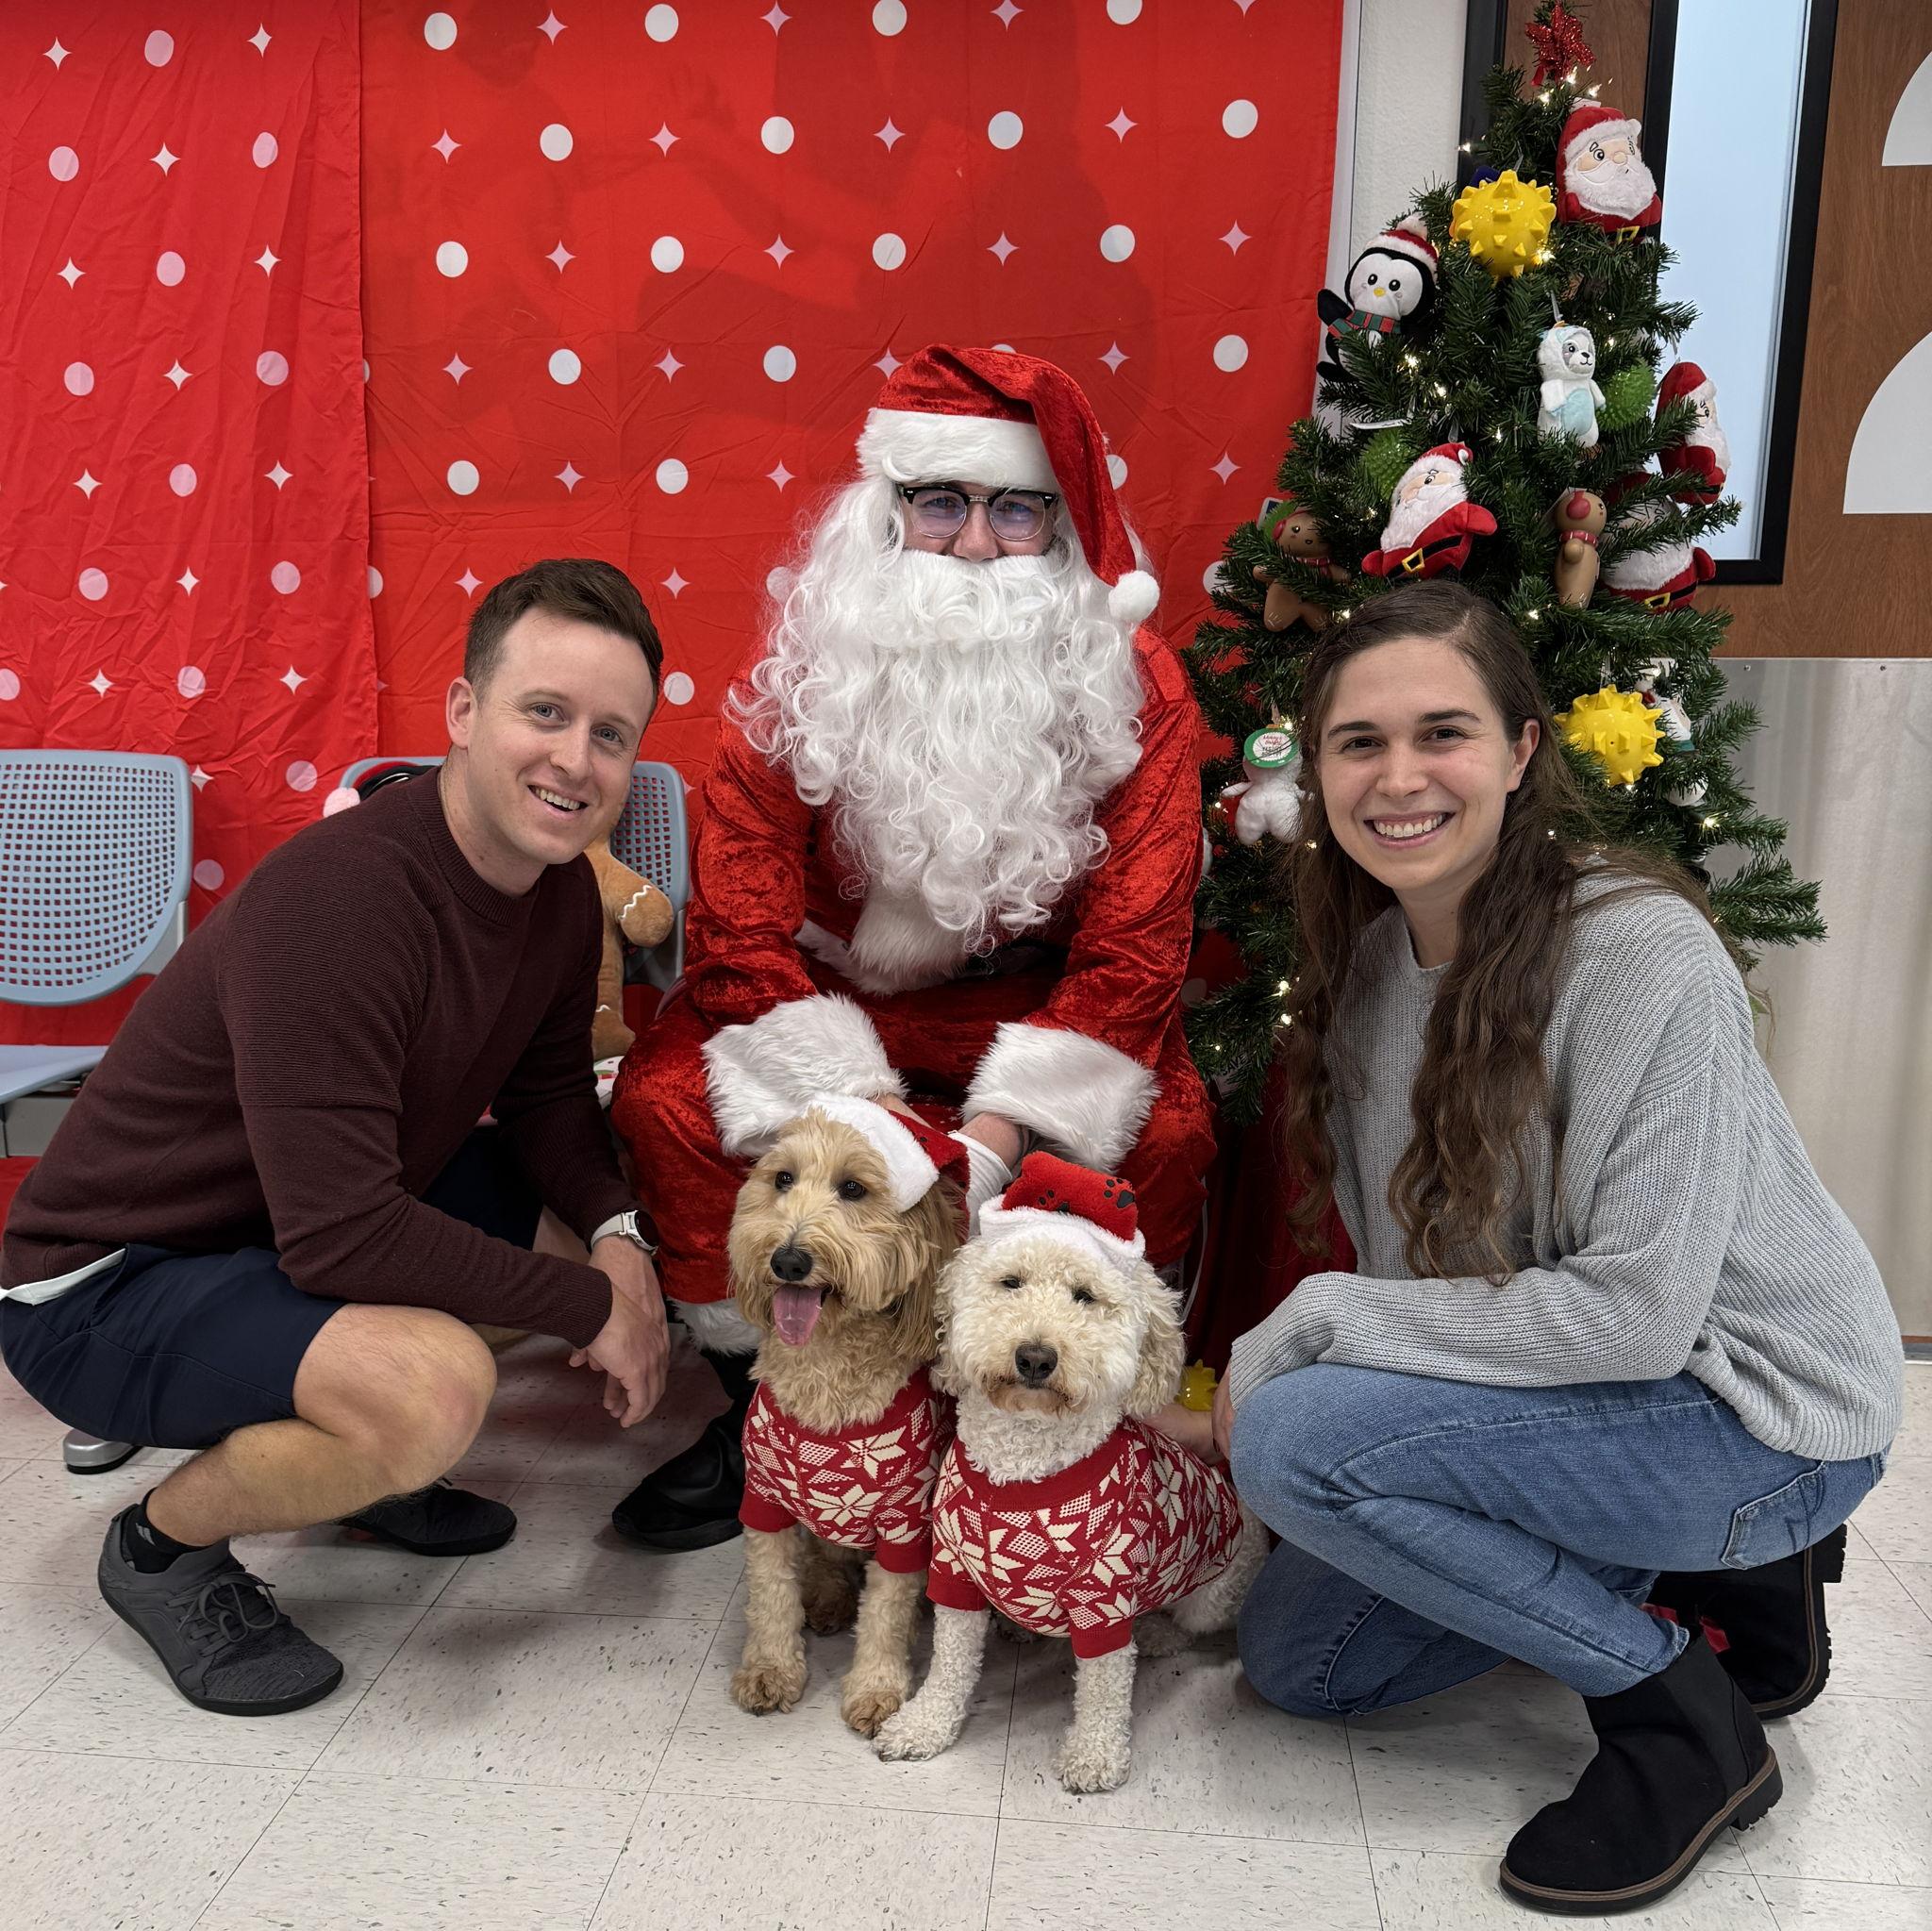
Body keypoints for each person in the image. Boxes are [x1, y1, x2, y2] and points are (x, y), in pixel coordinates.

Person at [1210, 582, 1902, 1915]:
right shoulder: (1366, 973)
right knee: (1309, 1665)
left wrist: (1308, 1325)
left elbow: (1636, 1318)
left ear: (1523, 750)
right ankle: (1722, 1580)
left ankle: (1677, 1707)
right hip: (1599, 1397)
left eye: (1443, 732)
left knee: (1297, 1435)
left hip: (1762, 1411)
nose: (1399, 776)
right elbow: (1429, 1299)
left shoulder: (1642, 952)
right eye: (1360, 742)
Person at [0, 558, 672, 1717]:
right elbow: (341, 1236)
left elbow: (553, 1101)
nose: (576, 761)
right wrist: (594, 1308)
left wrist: (619, 1247)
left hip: (274, 1229)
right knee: (435, 1391)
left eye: (611, 734)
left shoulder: (558, 892)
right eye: (544, 712)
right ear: (464, 713)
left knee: (574, 1233)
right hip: (103, 1286)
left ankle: (355, 1473)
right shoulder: (346, 899)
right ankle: (163, 1549)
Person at [608, 344, 1216, 1552]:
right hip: (830, 998)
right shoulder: (808, 661)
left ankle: (1037, 1408)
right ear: (886, 516)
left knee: (1173, 1131)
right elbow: (733, 911)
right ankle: (772, 1404)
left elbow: (1139, 945)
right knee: (662, 1102)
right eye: (941, 504)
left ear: (1057, 521)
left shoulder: (1131, 677)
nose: (978, 543)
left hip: (1033, 1011)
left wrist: (991, 1136)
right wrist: (861, 1118)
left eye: (1013, 508)